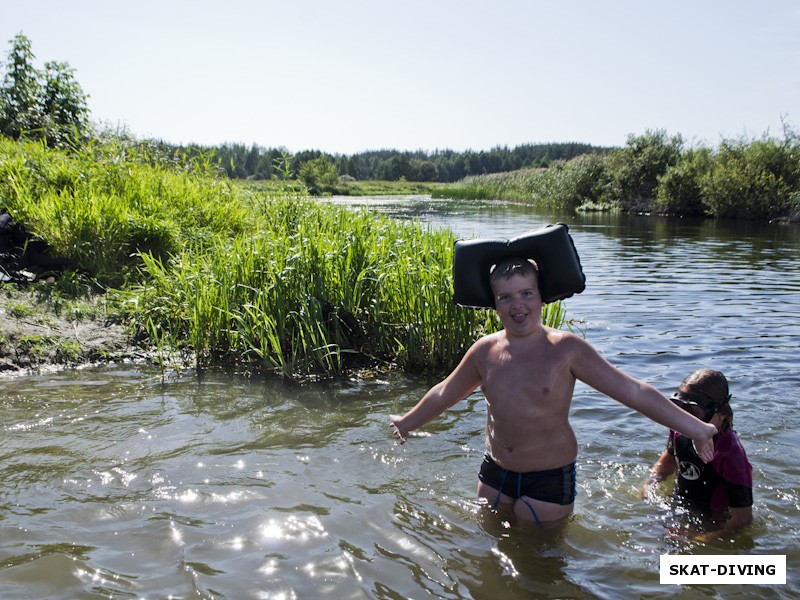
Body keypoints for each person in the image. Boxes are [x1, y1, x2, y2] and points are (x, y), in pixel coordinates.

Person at [390, 257, 718, 526]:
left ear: (542, 297)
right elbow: (445, 392)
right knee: (488, 550)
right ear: (494, 304)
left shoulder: (567, 350)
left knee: (539, 567)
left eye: (526, 293)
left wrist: (696, 428)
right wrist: (408, 421)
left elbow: (633, 391)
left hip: (547, 479)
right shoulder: (484, 352)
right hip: (494, 473)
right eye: (506, 297)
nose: (517, 305)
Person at [644, 368, 753, 533]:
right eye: (682, 409)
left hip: (713, 523)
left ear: (721, 414)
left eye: (695, 412)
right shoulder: (680, 429)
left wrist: (701, 541)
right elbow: (666, 464)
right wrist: (650, 485)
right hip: (679, 507)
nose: (688, 419)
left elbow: (743, 519)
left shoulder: (731, 453)